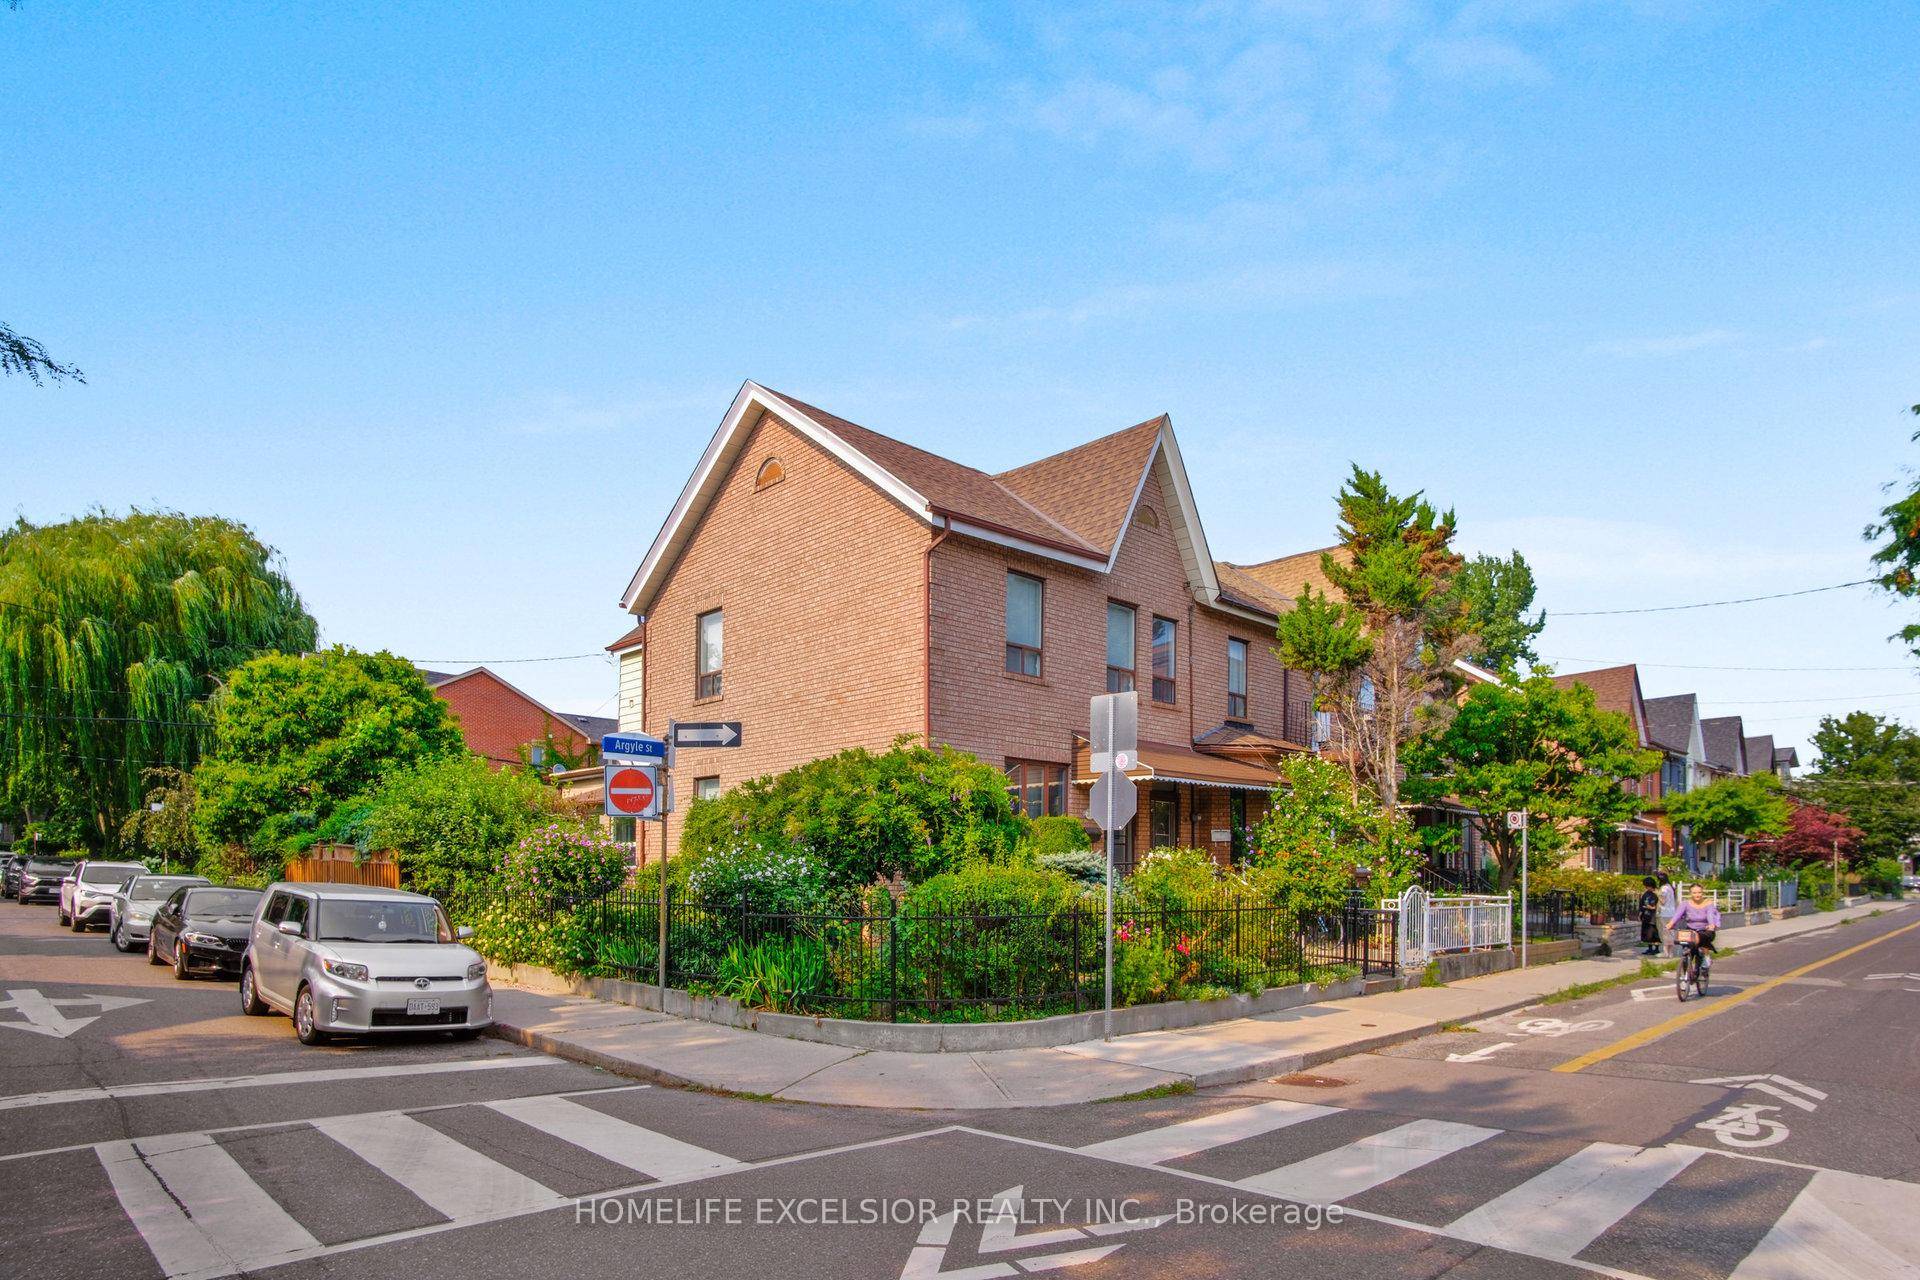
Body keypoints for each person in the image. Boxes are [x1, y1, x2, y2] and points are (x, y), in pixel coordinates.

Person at [1669, 884, 1722, 977]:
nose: (1697, 895)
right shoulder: (1685, 904)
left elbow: (1710, 915)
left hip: (1705, 931)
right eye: (1694, 893)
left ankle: (1706, 958)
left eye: (1699, 892)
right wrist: (1670, 924)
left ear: (1702, 893)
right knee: (1686, 949)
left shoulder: (1708, 904)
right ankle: (1686, 975)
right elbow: (1677, 915)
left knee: (1699, 938)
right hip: (1690, 930)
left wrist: (1711, 925)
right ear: (1690, 893)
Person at [1638, 877, 1661, 955]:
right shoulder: (1646, 894)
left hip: (1654, 916)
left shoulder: (1657, 893)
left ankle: (1656, 948)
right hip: (1646, 916)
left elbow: (1660, 904)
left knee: (1654, 933)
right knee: (1648, 934)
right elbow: (1641, 903)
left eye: (1647, 886)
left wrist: (1652, 908)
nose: (1646, 887)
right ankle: (1650, 948)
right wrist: (1640, 913)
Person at [1656, 871, 1677, 957]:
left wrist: (1657, 893)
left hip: (1664, 913)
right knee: (1671, 932)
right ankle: (1671, 952)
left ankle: (1665, 952)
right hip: (1672, 912)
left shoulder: (1663, 888)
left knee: (1664, 932)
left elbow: (1663, 901)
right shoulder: (1670, 887)